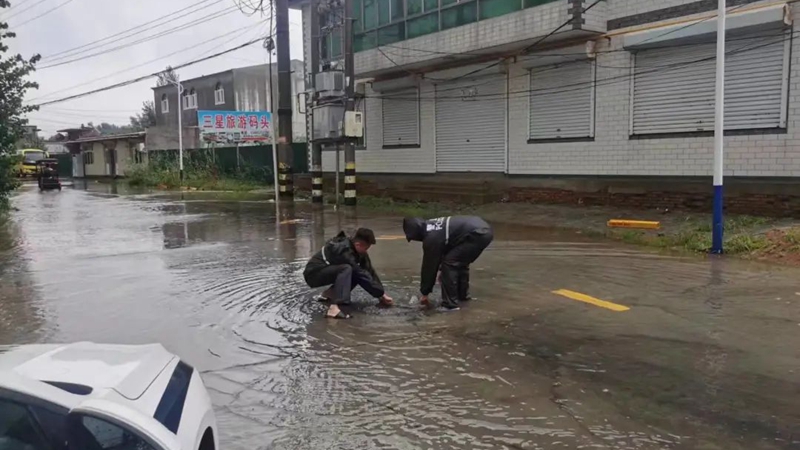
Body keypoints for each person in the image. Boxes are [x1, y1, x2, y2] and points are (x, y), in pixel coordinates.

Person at [403, 216, 493, 310]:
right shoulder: (433, 227)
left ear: (416, 233)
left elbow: (429, 267)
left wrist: (425, 293)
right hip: (481, 229)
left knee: (450, 264)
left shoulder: (431, 238)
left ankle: (450, 305)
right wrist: (442, 271)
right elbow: (447, 248)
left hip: (476, 234)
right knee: (459, 264)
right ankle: (462, 297)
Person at [304, 228, 393, 319]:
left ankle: (329, 294)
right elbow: (360, 274)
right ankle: (336, 308)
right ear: (358, 244)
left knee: (353, 272)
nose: (366, 251)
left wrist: (382, 295)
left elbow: (369, 270)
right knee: (347, 269)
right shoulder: (343, 250)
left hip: (326, 271)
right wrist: (378, 292)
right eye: (366, 248)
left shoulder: (356, 249)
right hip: (313, 274)